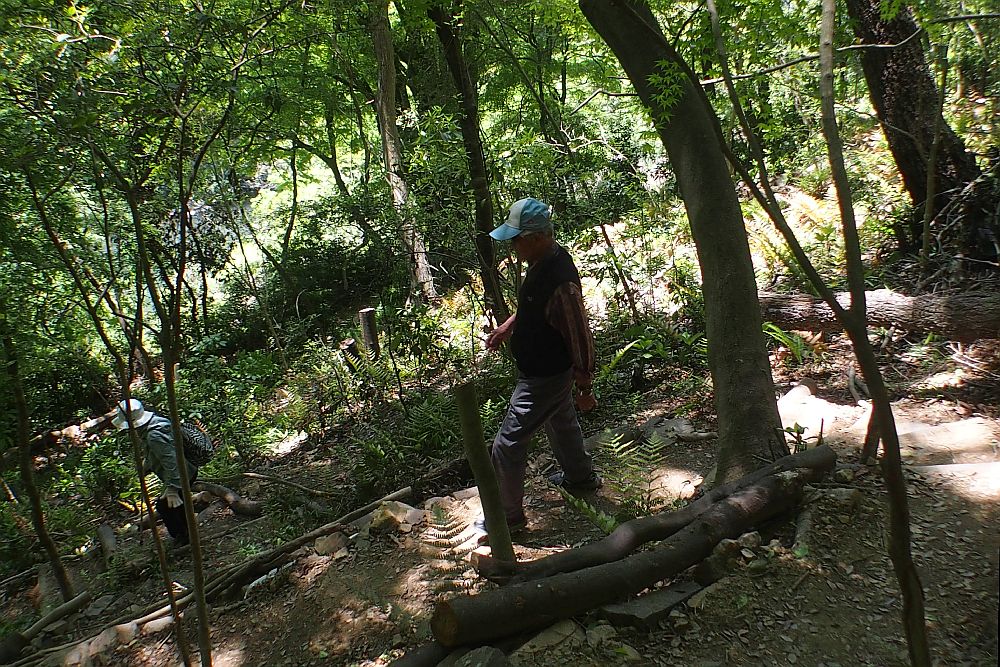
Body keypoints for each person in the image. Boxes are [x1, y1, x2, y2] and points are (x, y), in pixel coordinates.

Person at [480, 197, 601, 533]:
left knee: (506, 445)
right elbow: (537, 307)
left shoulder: (561, 280)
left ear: (534, 237)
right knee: (561, 423)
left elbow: (579, 334)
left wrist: (585, 387)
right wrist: (508, 327)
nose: (513, 247)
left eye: (515, 240)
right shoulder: (543, 261)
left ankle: (509, 520)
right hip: (546, 371)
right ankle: (581, 477)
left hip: (544, 376)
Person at [113, 399, 197, 545]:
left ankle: (184, 537)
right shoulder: (156, 422)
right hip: (185, 470)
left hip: (181, 475)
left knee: (165, 506)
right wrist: (147, 465)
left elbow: (171, 461)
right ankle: (188, 534)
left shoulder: (154, 436)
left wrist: (172, 489)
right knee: (178, 506)